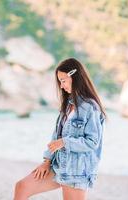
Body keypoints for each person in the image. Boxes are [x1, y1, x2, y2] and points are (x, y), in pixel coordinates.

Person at [13, 58, 107, 200]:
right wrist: (46, 161)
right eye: (60, 81)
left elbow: (92, 142)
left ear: (75, 77)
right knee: (22, 186)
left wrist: (65, 142)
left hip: (76, 171)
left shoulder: (91, 107)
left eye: (63, 80)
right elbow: (56, 137)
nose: (61, 86)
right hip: (58, 165)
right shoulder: (68, 105)